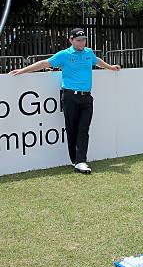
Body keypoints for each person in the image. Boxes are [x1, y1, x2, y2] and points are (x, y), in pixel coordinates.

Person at [9, 28, 120, 174]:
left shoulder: (88, 53)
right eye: (79, 40)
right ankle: (76, 160)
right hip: (70, 97)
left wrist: (110, 67)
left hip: (87, 97)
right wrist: (23, 70)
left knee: (83, 130)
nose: (82, 42)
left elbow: (97, 61)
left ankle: (81, 161)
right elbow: (44, 63)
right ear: (71, 40)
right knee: (72, 129)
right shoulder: (64, 55)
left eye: (84, 40)